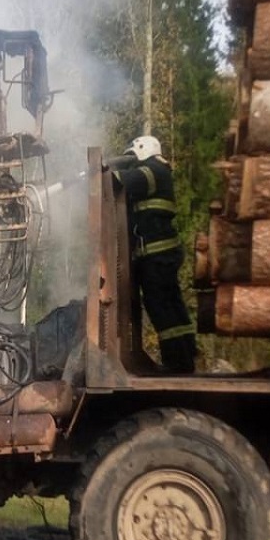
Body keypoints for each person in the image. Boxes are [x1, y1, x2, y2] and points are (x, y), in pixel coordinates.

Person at [109, 135, 197, 373]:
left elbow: (120, 182)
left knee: (161, 307)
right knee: (172, 307)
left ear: (142, 149)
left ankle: (178, 363)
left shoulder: (152, 171)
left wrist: (104, 171)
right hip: (162, 255)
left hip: (157, 255)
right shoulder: (160, 172)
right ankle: (185, 358)